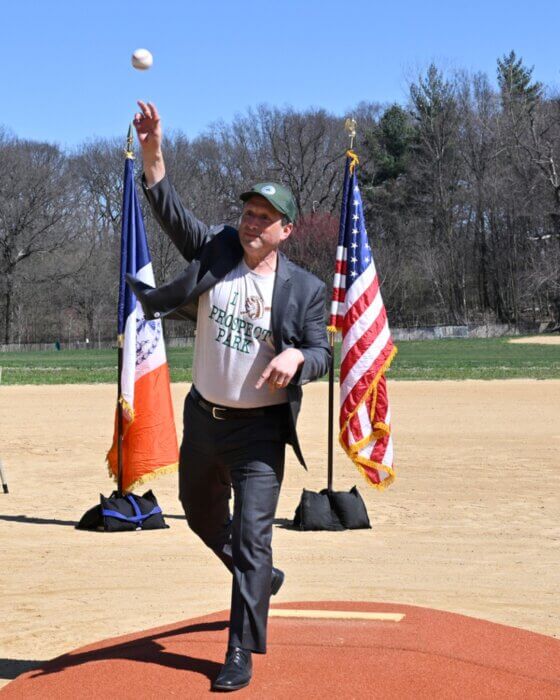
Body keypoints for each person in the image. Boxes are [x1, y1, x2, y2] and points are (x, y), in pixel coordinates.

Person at [128, 101, 330, 691]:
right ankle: (259, 576)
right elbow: (169, 209)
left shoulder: (305, 289)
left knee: (252, 537)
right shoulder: (216, 251)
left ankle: (237, 650)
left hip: (260, 432)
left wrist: (297, 357)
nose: (250, 223)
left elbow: (323, 352)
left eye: (264, 217)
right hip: (205, 420)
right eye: (247, 212)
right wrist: (153, 148)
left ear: (285, 230)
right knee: (198, 514)